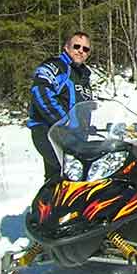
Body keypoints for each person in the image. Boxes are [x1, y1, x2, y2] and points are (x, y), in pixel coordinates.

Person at [28, 32, 94, 182]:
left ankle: (55, 203)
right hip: (50, 131)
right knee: (69, 174)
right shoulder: (56, 66)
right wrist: (65, 121)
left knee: (67, 177)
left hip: (71, 136)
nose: (80, 51)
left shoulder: (83, 76)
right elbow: (41, 92)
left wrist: (89, 126)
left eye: (85, 49)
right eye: (76, 46)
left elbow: (83, 107)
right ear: (66, 47)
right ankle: (49, 204)